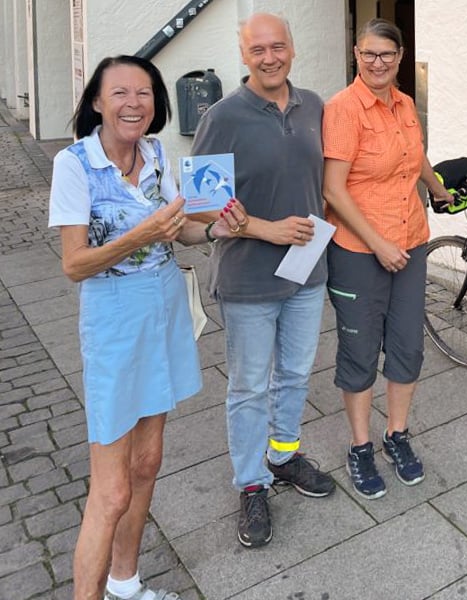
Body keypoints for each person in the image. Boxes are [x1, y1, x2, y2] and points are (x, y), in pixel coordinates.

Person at [48, 56, 244, 600]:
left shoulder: (159, 155)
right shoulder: (75, 165)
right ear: (96, 102)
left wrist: (216, 231)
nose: (134, 103)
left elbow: (180, 235)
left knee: (149, 459)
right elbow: (73, 265)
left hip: (163, 308)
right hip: (114, 321)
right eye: (120, 93)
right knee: (110, 491)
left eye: (144, 93)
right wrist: (144, 234)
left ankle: (126, 583)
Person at [190, 12, 334, 549]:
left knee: (295, 374)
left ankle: (282, 454)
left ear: (292, 49)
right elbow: (200, 209)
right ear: (243, 54)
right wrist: (263, 228)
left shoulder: (314, 105)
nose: (269, 57)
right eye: (258, 49)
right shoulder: (224, 116)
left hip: (307, 273)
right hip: (249, 277)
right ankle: (251, 482)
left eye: (278, 47)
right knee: (249, 386)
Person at [322, 18, 452, 500]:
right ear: (356, 55)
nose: (378, 63)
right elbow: (332, 189)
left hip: (411, 241)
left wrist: (440, 192)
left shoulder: (405, 104)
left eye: (387, 55)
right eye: (369, 54)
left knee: (407, 346)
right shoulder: (342, 109)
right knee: (359, 352)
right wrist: (377, 242)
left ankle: (397, 434)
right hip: (360, 250)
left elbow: (413, 156)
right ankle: (360, 446)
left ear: (399, 58)